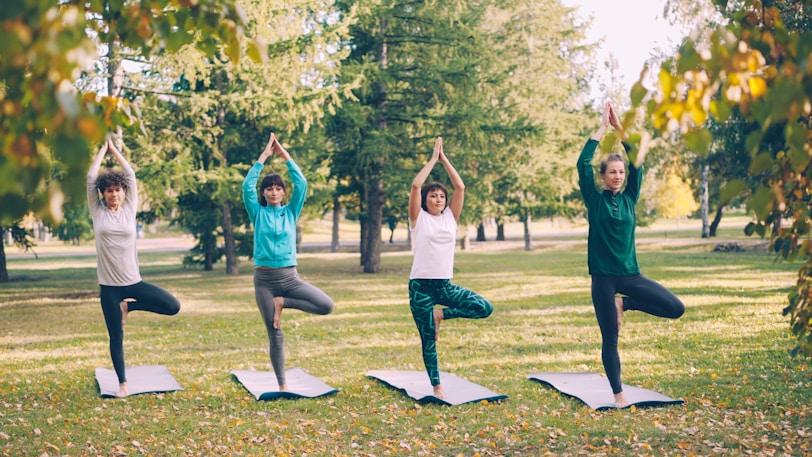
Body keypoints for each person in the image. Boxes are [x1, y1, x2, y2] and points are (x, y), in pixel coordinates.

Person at [577, 101, 685, 408]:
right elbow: (582, 164)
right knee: (610, 339)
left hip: (630, 274)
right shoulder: (595, 200)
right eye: (612, 172)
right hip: (603, 279)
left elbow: (639, 162)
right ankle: (619, 394)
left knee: (675, 307)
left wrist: (621, 130)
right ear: (603, 175)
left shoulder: (629, 199)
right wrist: (601, 129)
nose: (618, 176)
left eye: (620, 172)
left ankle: (625, 304)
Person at [87, 137, 181, 398]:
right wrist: (100, 151)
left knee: (173, 306)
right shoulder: (97, 212)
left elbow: (130, 174)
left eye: (117, 190)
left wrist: (114, 150)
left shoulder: (130, 209)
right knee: (116, 336)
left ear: (123, 192)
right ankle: (122, 384)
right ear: (103, 194)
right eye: (109, 190)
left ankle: (130, 306)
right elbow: (90, 178)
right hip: (109, 288)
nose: (114, 194)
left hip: (133, 282)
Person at [242, 133, 335, 391]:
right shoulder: (257, 213)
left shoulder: (291, 211)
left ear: (283, 192)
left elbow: (302, 183)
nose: (273, 191)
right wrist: (262, 158)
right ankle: (282, 385)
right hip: (264, 281)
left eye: (278, 188)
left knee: (326, 305)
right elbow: (246, 186)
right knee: (275, 333)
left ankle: (284, 303)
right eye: (269, 188)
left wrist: (285, 157)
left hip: (290, 278)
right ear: (264, 193)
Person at [408, 137, 493, 400]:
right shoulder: (417, 219)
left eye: (441, 196)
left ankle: (441, 315)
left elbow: (461, 186)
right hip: (421, 287)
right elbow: (415, 185)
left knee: (484, 307)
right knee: (428, 341)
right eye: (433, 195)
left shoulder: (450, 219)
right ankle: (437, 386)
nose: (438, 199)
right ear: (425, 199)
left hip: (444, 286)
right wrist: (432, 159)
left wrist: (445, 160)